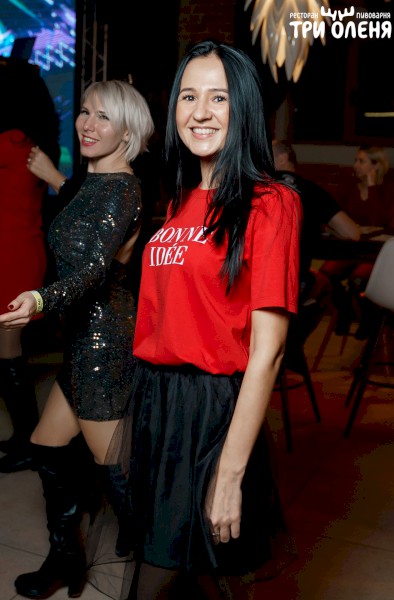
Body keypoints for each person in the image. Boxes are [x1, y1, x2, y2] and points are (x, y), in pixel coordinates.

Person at [106, 40, 302, 600]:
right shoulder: (179, 202)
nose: (200, 112)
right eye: (188, 96)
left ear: (244, 108)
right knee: (171, 566)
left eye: (219, 98)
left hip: (211, 410)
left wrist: (231, 474)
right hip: (155, 399)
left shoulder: (271, 202)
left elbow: (268, 351)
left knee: (168, 575)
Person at [0, 79, 154, 599]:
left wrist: (39, 300)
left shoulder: (123, 188)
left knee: (119, 476)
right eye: (85, 111)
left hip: (103, 344)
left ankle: (165, 562)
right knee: (46, 446)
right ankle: (66, 558)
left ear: (128, 131)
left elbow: (94, 270)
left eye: (103, 116)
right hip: (84, 339)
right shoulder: (91, 181)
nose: (87, 124)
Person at [0, 56, 60, 473]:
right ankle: (25, 436)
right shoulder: (33, 142)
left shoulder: (11, 142)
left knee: (7, 350)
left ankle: (28, 442)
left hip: (11, 256)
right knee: (8, 349)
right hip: (22, 252)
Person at [272, 140, 360, 344]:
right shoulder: (310, 190)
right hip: (291, 282)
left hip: (246, 279)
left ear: (283, 158)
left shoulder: (251, 188)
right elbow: (352, 233)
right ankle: (290, 346)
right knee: (322, 285)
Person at [320, 145, 394, 338]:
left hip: (376, 252)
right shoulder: (349, 187)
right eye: (356, 160)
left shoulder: (390, 189)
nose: (355, 165)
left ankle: (369, 321)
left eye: (361, 161)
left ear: (376, 165)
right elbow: (334, 217)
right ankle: (345, 312)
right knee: (325, 275)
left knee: (358, 279)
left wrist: (372, 186)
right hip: (350, 247)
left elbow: (378, 220)